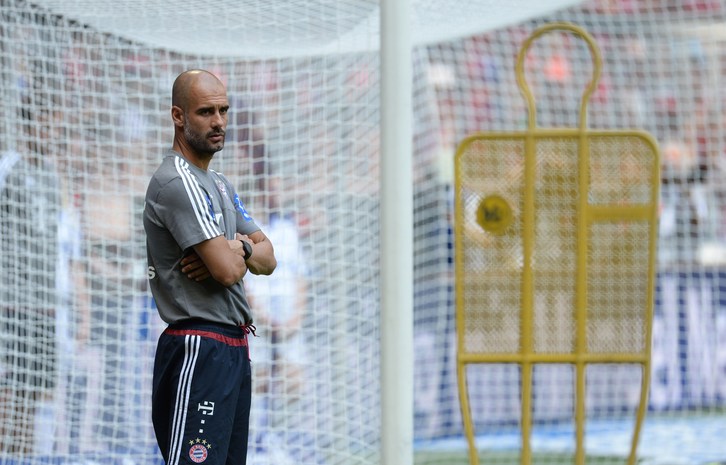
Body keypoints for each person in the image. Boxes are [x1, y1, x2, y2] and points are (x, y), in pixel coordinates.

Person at [144, 69, 276, 465]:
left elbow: (268, 257)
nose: (219, 121)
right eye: (206, 112)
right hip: (198, 345)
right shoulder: (177, 182)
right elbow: (226, 272)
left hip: (232, 344)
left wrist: (237, 247)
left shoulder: (218, 182)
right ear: (178, 116)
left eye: (223, 110)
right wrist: (238, 253)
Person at [0, 101, 61, 455]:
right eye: (43, 125)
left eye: (53, 126)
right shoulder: (9, 167)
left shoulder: (53, 176)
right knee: (8, 390)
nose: (49, 133)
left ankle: (21, 458)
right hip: (11, 299)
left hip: (44, 303)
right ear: (26, 127)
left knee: (32, 390)